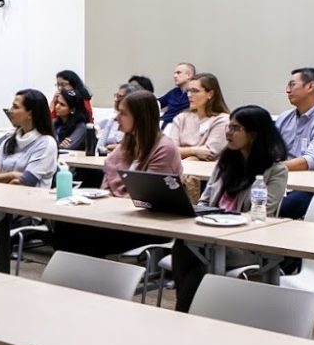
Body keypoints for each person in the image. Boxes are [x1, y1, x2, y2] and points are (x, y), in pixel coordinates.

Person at [171, 105, 290, 311]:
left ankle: (186, 312)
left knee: (197, 258)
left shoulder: (275, 171)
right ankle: (190, 312)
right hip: (211, 234)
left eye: (235, 128)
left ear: (252, 135)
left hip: (244, 243)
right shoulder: (225, 162)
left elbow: (264, 214)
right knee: (184, 245)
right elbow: (206, 202)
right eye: (228, 126)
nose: (228, 132)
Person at [53, 90, 179, 257]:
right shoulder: (127, 143)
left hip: (148, 223)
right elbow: (110, 174)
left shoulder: (164, 149)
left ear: (140, 117)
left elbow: (147, 196)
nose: (117, 117)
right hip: (118, 214)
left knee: (82, 233)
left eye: (123, 113)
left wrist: (110, 203)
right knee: (66, 224)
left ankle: (90, 277)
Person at [276, 67, 314, 219]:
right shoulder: (285, 118)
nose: (288, 90)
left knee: (282, 208)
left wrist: (272, 168)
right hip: (285, 180)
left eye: (292, 85)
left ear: (310, 87)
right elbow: (271, 148)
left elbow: (309, 161)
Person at [0, 89, 58, 187]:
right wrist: (13, 176)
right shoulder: (8, 141)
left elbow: (27, 181)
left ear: (30, 114)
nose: (10, 111)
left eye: (15, 107)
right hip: (0, 197)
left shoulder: (46, 143)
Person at [164, 73, 230, 161]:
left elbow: (209, 153)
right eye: (188, 91)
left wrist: (187, 155)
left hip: (206, 172)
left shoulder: (223, 120)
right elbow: (170, 151)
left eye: (195, 91)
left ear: (210, 94)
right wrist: (195, 151)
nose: (189, 95)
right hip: (178, 169)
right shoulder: (181, 118)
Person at [96, 82, 144, 154]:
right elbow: (99, 146)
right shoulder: (113, 119)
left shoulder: (135, 124)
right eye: (116, 96)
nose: (115, 99)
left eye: (119, 96)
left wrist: (118, 148)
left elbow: (130, 149)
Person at [158, 63, 196, 127]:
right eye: (174, 73)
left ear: (189, 75)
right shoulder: (174, 92)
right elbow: (158, 103)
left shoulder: (195, 94)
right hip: (162, 124)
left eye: (178, 73)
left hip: (178, 127)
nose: (175, 76)